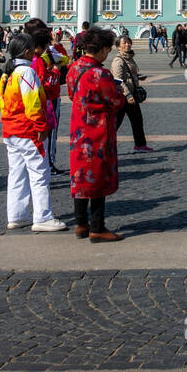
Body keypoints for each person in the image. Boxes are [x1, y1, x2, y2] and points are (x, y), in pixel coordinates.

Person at [0, 33, 66, 230]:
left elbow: (4, 103)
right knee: (39, 173)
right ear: (28, 51)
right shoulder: (26, 73)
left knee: (17, 174)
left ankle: (17, 215)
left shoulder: (7, 73)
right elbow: (33, 103)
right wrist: (40, 127)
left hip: (11, 130)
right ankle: (43, 217)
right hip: (27, 131)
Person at [66, 27, 127, 242]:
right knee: (97, 178)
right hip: (98, 132)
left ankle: (80, 224)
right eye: (107, 49)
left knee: (81, 176)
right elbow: (115, 101)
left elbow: (72, 93)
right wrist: (124, 96)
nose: (108, 54)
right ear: (100, 49)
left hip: (78, 131)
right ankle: (97, 227)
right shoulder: (100, 73)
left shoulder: (74, 68)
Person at [26, 21, 68, 176]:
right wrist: (56, 71)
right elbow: (46, 81)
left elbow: (64, 59)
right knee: (50, 132)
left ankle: (47, 162)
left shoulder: (34, 55)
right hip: (49, 99)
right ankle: (49, 163)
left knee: (46, 133)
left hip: (43, 99)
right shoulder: (40, 57)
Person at [109, 34, 153, 152]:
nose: (128, 45)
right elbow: (118, 80)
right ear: (118, 47)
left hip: (131, 94)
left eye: (129, 42)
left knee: (137, 120)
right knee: (116, 123)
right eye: (124, 43)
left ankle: (140, 144)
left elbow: (129, 74)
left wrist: (138, 77)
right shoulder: (118, 61)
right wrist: (127, 95)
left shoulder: (129, 58)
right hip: (123, 97)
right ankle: (105, 144)